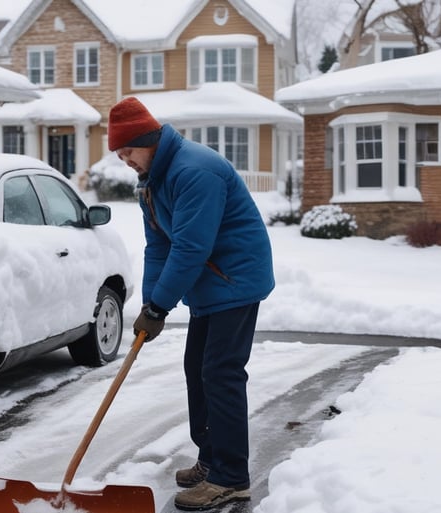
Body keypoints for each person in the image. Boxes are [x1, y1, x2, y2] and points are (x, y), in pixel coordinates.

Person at [107, 97, 275, 511]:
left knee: (220, 374)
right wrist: (151, 303)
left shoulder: (193, 171)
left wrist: (161, 306)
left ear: (147, 140)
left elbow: (190, 247)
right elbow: (159, 245)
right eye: (119, 153)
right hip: (211, 283)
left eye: (127, 149)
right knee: (197, 371)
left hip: (234, 280)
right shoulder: (154, 179)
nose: (124, 159)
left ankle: (232, 477)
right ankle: (211, 458)